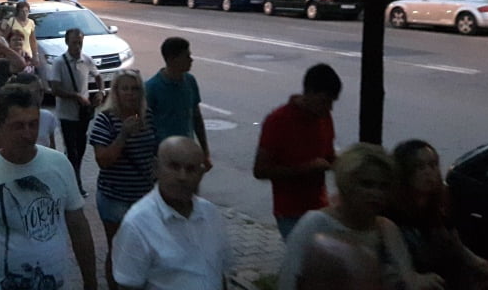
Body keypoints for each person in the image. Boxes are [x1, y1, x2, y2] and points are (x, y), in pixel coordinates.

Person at [0, 85, 98, 290]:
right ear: (0, 125)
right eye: (18, 126)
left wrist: (91, 282)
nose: (28, 134)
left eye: (33, 124)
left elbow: (78, 226)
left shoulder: (59, 164)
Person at [277, 143, 444, 290]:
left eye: (383, 186)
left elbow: (408, 279)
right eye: (366, 184)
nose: (376, 193)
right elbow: (289, 280)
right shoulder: (315, 224)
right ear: (346, 183)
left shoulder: (386, 229)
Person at [112, 137, 232, 290]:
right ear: (156, 168)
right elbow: (128, 285)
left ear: (201, 174)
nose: (182, 177)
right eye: (174, 167)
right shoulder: (137, 224)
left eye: (191, 169)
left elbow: (219, 273)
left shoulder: (210, 214)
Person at [388, 139, 488, 289]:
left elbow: (460, 250)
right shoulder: (392, 219)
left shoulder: (438, 215)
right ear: (404, 172)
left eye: (432, 165)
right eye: (419, 167)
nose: (428, 172)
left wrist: (485, 267)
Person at [253, 63, 341, 239]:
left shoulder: (324, 117)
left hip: (320, 207)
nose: (329, 108)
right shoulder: (278, 120)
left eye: (332, 102)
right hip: (290, 213)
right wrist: (304, 168)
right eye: (325, 101)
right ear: (309, 93)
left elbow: (329, 156)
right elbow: (260, 171)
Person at [90, 70, 158, 289]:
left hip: (144, 197)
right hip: (115, 198)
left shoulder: (147, 117)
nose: (129, 93)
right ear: (116, 92)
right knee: (118, 249)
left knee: (144, 248)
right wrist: (123, 135)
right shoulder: (106, 119)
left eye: (134, 89)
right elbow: (103, 160)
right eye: (124, 88)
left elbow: (153, 151)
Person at [48, 27, 103, 196]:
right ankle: (76, 186)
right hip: (67, 115)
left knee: (80, 150)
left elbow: (98, 75)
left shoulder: (86, 60)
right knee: (72, 152)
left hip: (83, 114)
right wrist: (76, 96)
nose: (77, 46)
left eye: (80, 42)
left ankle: (71, 177)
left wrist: (101, 92)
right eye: (74, 43)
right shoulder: (59, 63)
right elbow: (55, 89)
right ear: (67, 42)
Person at [145, 37, 211, 169]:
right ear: (172, 59)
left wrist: (205, 151)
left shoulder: (190, 81)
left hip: (187, 151)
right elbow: (141, 120)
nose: (191, 60)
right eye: (186, 56)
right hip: (163, 156)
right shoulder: (152, 88)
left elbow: (196, 117)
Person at [8, 1, 40, 69]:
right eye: (22, 11)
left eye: (26, 11)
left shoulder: (31, 22)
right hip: (15, 53)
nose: (25, 13)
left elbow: (33, 40)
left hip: (27, 54)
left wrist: (35, 55)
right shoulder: (12, 21)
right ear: (18, 12)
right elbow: (6, 37)